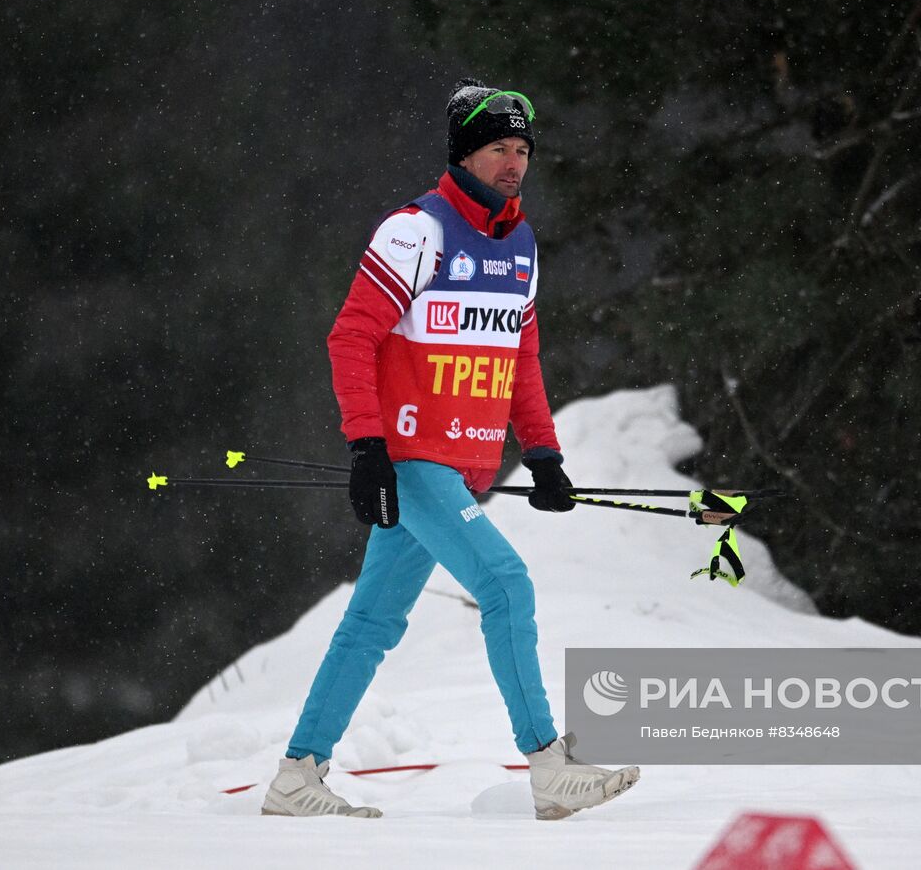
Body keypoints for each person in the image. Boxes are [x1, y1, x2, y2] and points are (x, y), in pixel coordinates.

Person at [260, 78, 640, 821]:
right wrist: (367, 445)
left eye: (523, 150)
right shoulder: (415, 231)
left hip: (466, 468)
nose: (514, 163)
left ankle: (296, 775)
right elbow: (351, 337)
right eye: (499, 147)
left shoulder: (522, 243)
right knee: (506, 583)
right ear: (465, 153)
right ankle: (548, 765)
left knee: (372, 623)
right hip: (413, 457)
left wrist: (543, 453)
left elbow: (520, 356)